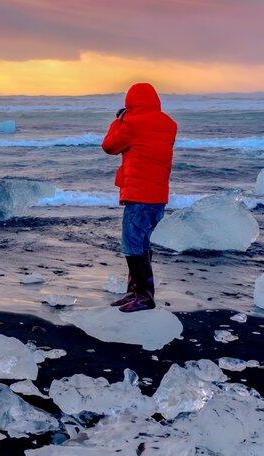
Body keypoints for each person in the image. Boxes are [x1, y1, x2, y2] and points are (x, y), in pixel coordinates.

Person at [101, 83, 177, 312]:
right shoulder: (168, 124)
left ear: (130, 103)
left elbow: (109, 146)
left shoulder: (131, 123)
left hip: (138, 195)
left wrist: (119, 121)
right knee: (143, 244)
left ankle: (144, 296)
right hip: (158, 196)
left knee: (132, 244)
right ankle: (135, 292)